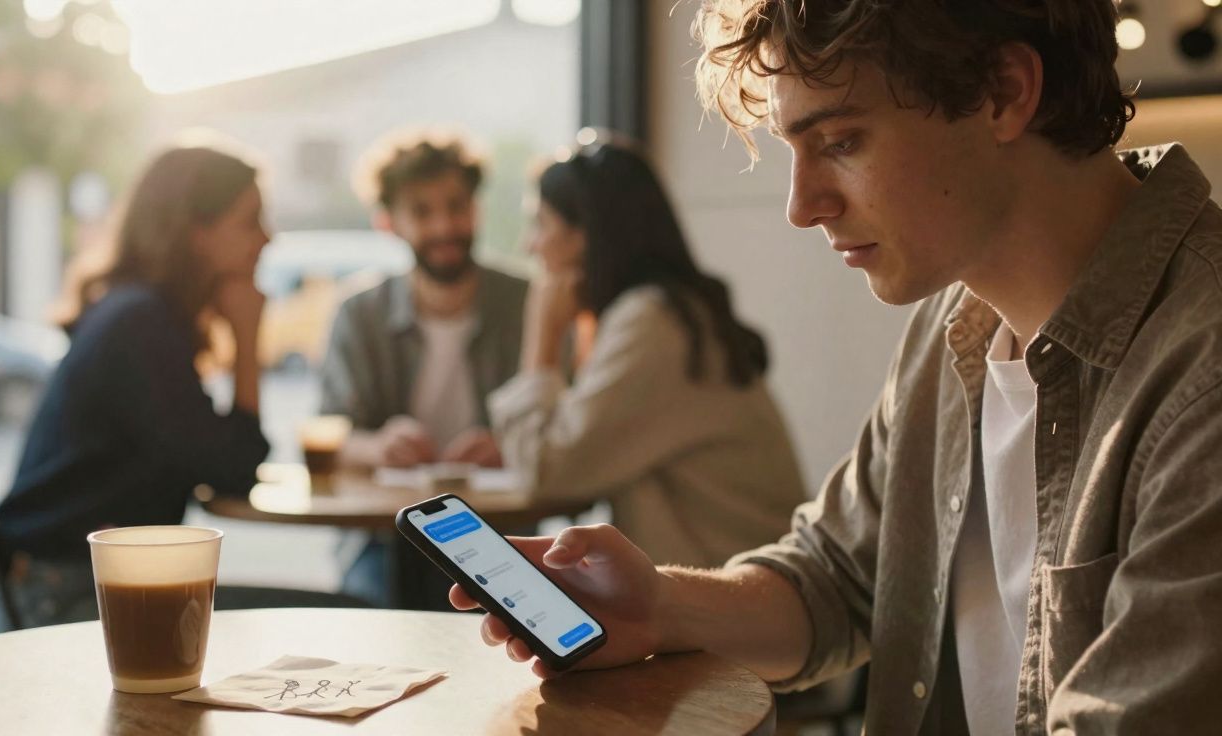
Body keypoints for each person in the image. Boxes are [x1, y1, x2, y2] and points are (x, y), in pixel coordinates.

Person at [453, 0, 1222, 732]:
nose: (801, 205)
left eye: (842, 141)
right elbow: (838, 579)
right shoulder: (953, 327)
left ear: (1004, 92)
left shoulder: (1202, 369)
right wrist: (658, 606)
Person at [489, 139, 806, 568]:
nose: (530, 246)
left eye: (539, 223)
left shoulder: (652, 323)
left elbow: (548, 473)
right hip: (736, 574)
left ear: (584, 235)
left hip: (732, 588)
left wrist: (542, 338)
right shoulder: (671, 310)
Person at [0, 145, 272, 627]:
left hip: (61, 583)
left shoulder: (133, 310)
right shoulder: (142, 324)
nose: (267, 238)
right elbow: (234, 469)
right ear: (196, 232)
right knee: (344, 615)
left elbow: (213, 457)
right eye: (250, 222)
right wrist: (247, 339)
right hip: (70, 596)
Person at [319, 131, 527, 607]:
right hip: (384, 536)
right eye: (422, 211)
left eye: (456, 206)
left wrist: (510, 444)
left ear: (476, 209)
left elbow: (564, 426)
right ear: (388, 222)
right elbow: (330, 434)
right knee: (377, 614)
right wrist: (379, 445)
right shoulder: (360, 313)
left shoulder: (525, 304)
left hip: (499, 532)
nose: (444, 226)